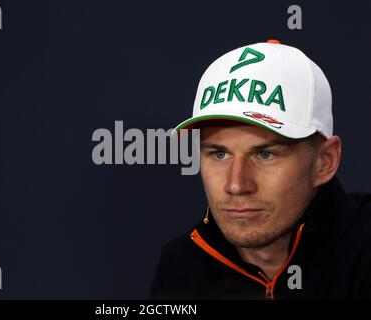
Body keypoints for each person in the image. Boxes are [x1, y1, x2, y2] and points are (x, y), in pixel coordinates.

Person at [150, 40, 371, 299]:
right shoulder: (182, 265)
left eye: (265, 154)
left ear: (325, 161)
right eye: (219, 154)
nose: (236, 185)